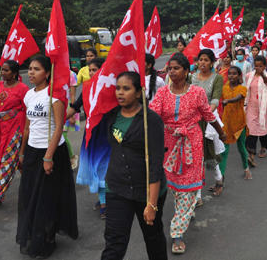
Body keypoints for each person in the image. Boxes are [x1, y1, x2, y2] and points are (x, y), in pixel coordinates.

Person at [149, 53, 226, 254]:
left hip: (192, 143)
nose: (172, 72)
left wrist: (221, 132)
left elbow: (209, 115)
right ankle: (186, 208)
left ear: (186, 70)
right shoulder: (162, 93)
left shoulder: (197, 93)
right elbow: (152, 116)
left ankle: (177, 233)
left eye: (176, 68)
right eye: (169, 68)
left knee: (187, 189)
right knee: (171, 186)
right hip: (168, 144)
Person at [101, 72, 168, 260]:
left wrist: (152, 205)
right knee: (114, 243)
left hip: (147, 191)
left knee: (153, 238)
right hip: (117, 187)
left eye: (126, 89)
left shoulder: (151, 120)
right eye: (118, 88)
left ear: (138, 93)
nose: (120, 93)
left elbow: (156, 164)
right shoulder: (111, 115)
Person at [17, 56, 78, 258]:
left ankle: (49, 238)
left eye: (36, 69)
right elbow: (27, 127)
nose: (31, 72)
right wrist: (22, 151)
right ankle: (37, 234)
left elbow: (59, 127)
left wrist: (48, 157)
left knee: (48, 197)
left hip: (52, 152)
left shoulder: (55, 96)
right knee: (29, 196)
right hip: (33, 152)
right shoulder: (28, 95)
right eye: (29, 69)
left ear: (48, 72)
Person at [66, 58, 111, 220]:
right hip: (91, 136)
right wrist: (57, 122)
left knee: (104, 169)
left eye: (95, 69)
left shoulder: (110, 89)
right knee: (95, 169)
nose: (91, 73)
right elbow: (75, 107)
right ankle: (104, 200)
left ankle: (106, 202)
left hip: (107, 136)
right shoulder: (87, 89)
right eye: (90, 70)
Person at [0, 60, 29, 212]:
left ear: (15, 73)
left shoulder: (23, 88)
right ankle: (38, 185)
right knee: (21, 161)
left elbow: (27, 110)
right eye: (2, 70)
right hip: (1, 129)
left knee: (8, 161)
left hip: (16, 127)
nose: (3, 73)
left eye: (6, 70)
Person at [190, 49, 224, 205]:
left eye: (205, 60)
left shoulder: (217, 78)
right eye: (200, 60)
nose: (202, 63)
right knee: (195, 157)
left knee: (209, 154)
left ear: (211, 62)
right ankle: (197, 196)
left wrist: (205, 113)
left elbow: (215, 99)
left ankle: (218, 179)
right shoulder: (191, 77)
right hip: (192, 121)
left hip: (209, 120)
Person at [219, 66, 251, 182]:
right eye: (230, 74)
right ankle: (221, 177)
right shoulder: (224, 89)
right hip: (226, 122)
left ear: (239, 76)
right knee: (224, 150)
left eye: (234, 73)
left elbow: (238, 98)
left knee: (241, 147)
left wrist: (228, 101)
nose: (231, 76)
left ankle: (246, 168)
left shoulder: (242, 89)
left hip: (239, 123)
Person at [244, 55, 267, 164]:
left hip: (264, 107)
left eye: (260, 66)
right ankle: (251, 155)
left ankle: (263, 146)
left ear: (264, 66)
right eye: (256, 66)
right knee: (251, 129)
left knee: (263, 128)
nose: (258, 68)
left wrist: (262, 74)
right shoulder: (249, 76)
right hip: (251, 106)